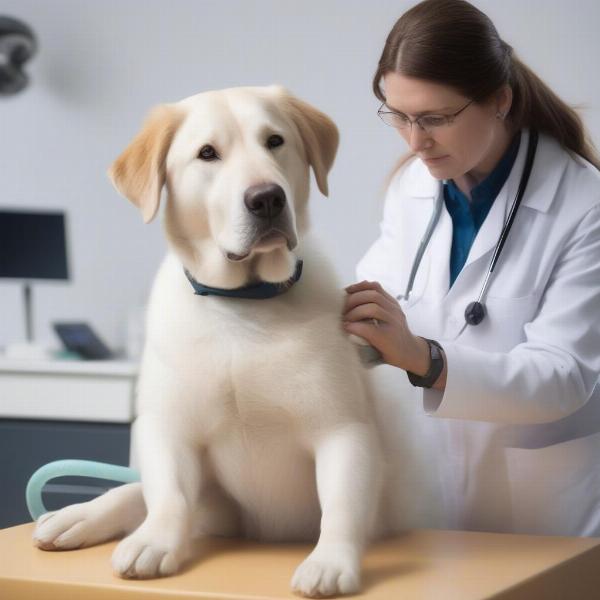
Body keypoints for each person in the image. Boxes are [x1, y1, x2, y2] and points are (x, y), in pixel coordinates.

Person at [342, 0, 600, 537]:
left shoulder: (583, 204)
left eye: (434, 118)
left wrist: (426, 359)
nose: (415, 142)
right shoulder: (412, 188)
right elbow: (375, 301)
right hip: (430, 493)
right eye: (400, 116)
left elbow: (566, 374)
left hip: (541, 513)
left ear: (499, 100)